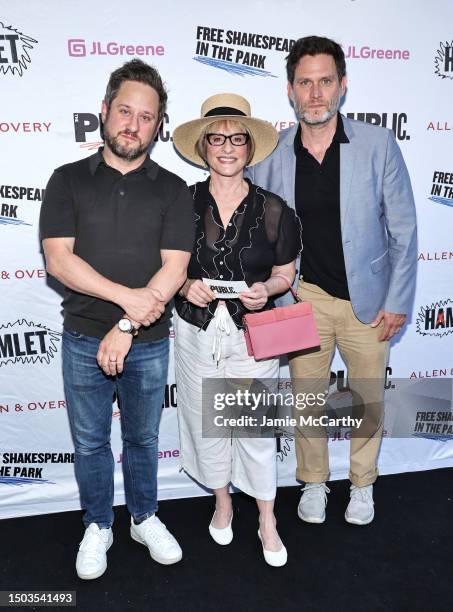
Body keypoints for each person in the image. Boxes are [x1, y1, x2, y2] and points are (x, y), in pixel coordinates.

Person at [249, 35, 417, 526]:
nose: (316, 93)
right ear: (291, 91)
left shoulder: (377, 144)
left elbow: (403, 230)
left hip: (368, 300)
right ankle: (315, 482)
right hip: (305, 299)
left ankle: (362, 485)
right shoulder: (273, 154)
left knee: (367, 398)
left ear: (342, 86)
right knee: (306, 400)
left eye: (325, 81)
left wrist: (398, 300)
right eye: (306, 83)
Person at [39, 59, 195, 579]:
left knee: (144, 439)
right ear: (104, 112)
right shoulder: (66, 181)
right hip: (82, 337)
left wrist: (126, 324)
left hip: (147, 342)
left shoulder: (174, 188)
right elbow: (60, 261)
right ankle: (98, 524)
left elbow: (174, 269)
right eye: (124, 111)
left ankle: (144, 516)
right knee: (89, 441)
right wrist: (128, 300)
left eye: (146, 116)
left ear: (159, 125)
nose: (133, 123)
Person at [172, 93, 301, 567]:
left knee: (252, 431)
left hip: (254, 333)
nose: (227, 148)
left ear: (250, 148)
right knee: (208, 426)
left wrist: (267, 288)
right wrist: (186, 285)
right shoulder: (180, 202)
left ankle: (267, 519)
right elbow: (165, 268)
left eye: (237, 139)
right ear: (204, 146)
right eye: (217, 139)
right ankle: (222, 502)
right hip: (196, 331)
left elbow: (286, 273)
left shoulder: (274, 209)